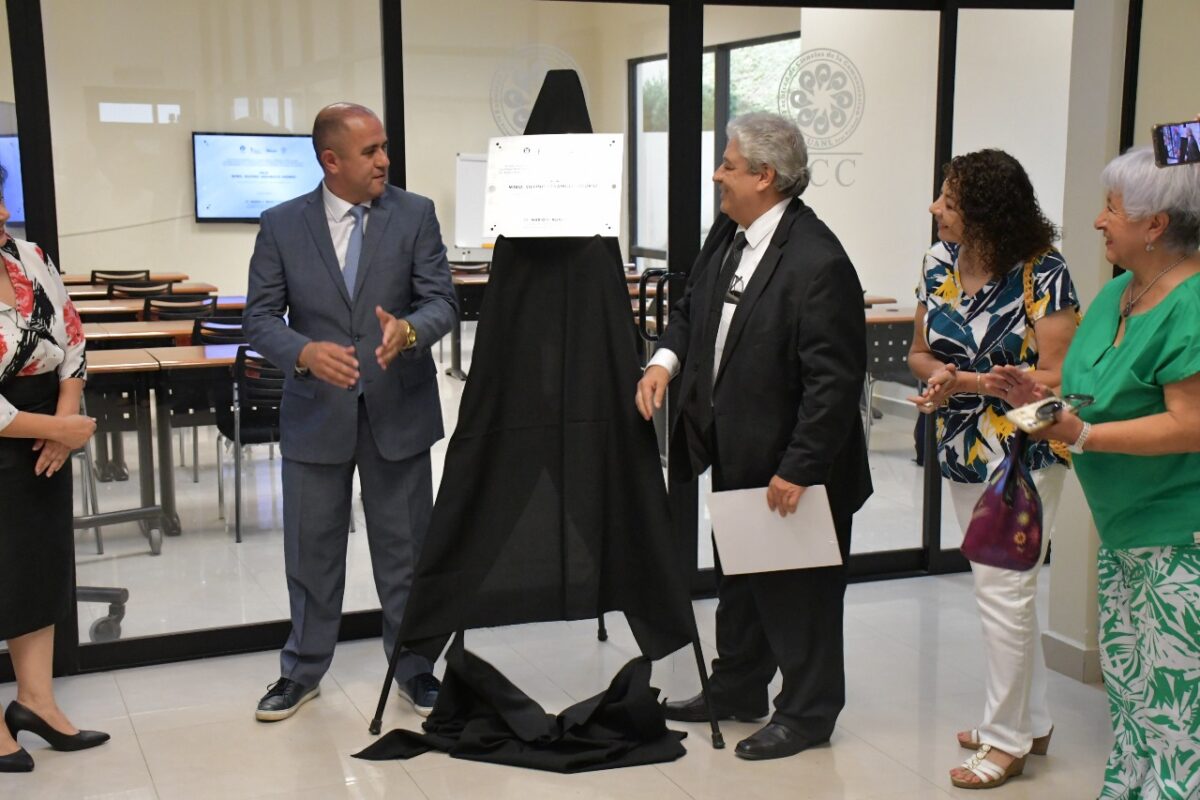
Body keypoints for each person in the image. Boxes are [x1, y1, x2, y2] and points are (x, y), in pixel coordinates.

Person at [635, 112, 872, 761]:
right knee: (743, 581)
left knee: (802, 594)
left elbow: (834, 383)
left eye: (729, 164)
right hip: (737, 452)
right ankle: (738, 687)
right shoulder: (732, 236)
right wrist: (663, 361)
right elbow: (692, 312)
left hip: (796, 469)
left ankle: (808, 712)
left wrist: (799, 466)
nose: (718, 174)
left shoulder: (818, 261)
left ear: (765, 177)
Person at [244, 103, 457, 722]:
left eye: (385, 147)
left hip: (398, 411)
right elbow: (259, 318)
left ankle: (415, 668)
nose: (384, 161)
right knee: (312, 553)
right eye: (371, 152)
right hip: (316, 414)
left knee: (408, 553)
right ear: (330, 160)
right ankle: (302, 671)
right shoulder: (282, 225)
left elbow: (442, 299)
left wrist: (411, 333)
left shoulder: (414, 214)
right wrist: (303, 352)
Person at [1007, 145, 1200, 800]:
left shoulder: (1194, 304)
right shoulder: (1123, 290)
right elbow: (1085, 387)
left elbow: (1191, 423)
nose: (1097, 221)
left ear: (1156, 225)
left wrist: (1082, 433)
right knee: (1133, 693)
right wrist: (1027, 393)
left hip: (1182, 537)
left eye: (1112, 208)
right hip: (1125, 531)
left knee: (1179, 710)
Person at [907, 149, 1079, 790]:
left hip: (1026, 451)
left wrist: (972, 380)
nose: (935, 210)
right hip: (960, 444)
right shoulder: (937, 263)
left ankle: (1005, 740)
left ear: (985, 213)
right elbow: (921, 354)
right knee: (1000, 588)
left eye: (948, 202)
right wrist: (943, 379)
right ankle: (1030, 721)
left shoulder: (1044, 273)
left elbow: (1063, 376)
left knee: (1004, 591)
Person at [0, 166, 110, 772]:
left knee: (36, 570)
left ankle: (37, 702)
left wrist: (65, 426)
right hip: (17, 428)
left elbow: (72, 340)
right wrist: (56, 431)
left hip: (45, 433)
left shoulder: (29, 255)